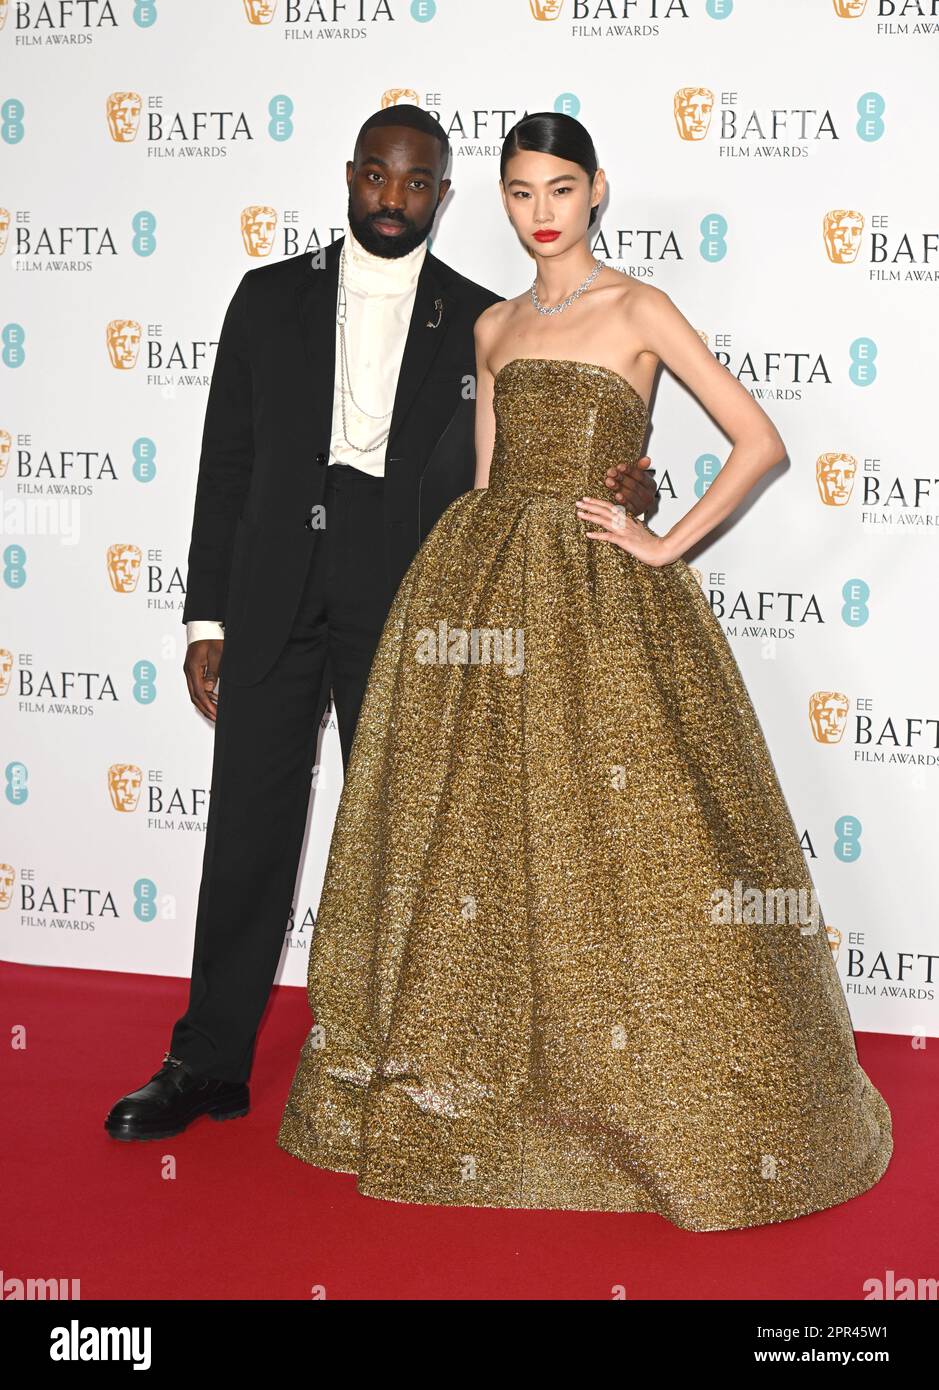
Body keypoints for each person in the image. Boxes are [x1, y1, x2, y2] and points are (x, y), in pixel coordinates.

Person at [275, 112, 893, 1232]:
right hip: (475, 589)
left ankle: (650, 1098)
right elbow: (484, 475)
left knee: (638, 841)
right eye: (520, 191)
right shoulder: (495, 326)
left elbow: (759, 439)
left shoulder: (640, 308)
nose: (542, 211)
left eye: (561, 187)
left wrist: (663, 538)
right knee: (478, 836)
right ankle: (470, 1072)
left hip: (600, 598)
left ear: (597, 190)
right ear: (498, 199)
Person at [103, 105, 656, 1142]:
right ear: (349, 175)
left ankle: (408, 1070)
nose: (392, 200)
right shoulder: (268, 300)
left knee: (409, 844)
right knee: (246, 836)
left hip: (406, 593)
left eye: (416, 185)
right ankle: (206, 1061)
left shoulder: (487, 320)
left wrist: (636, 482)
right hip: (271, 588)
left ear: (444, 197)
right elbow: (224, 466)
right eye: (377, 177)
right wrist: (204, 615)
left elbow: (547, 465)